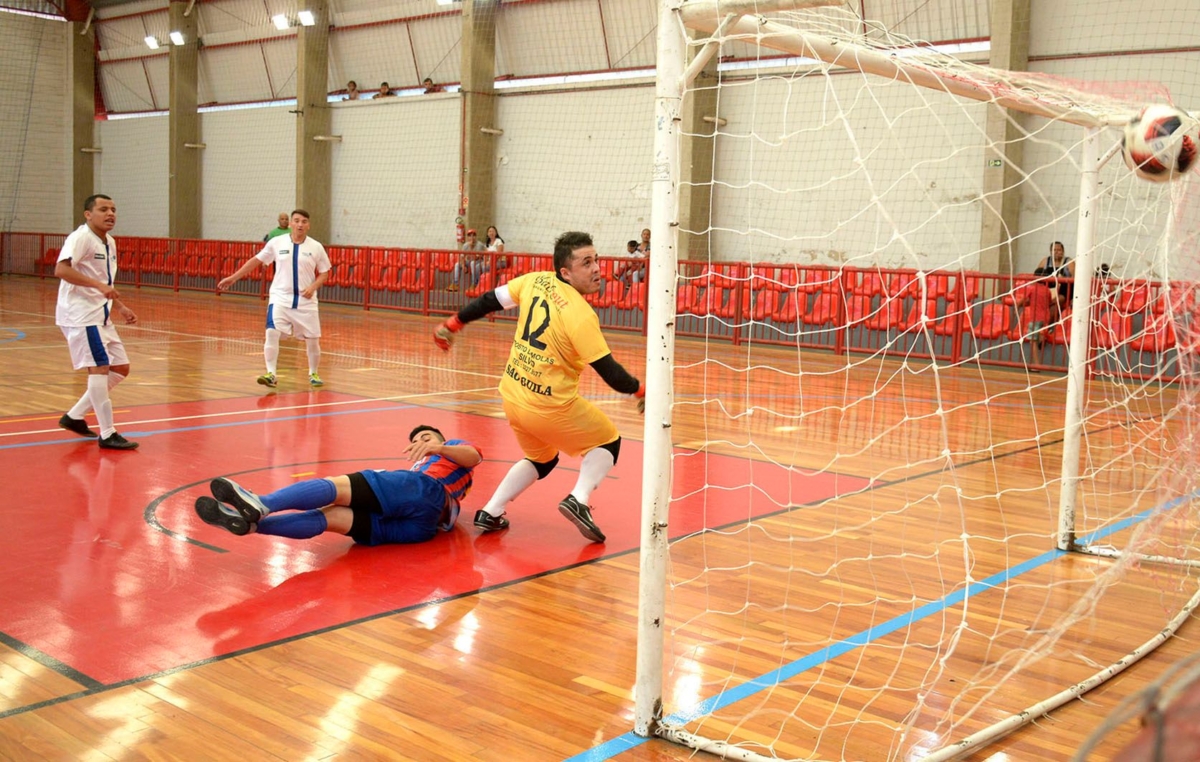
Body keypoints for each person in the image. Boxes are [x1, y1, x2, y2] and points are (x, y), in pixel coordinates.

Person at [433, 231, 646, 543]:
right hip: (549, 405)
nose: (597, 268)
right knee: (608, 441)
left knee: (542, 457)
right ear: (566, 272)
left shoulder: (535, 280)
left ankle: (491, 511)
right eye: (586, 263)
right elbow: (610, 373)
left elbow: (489, 300)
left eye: (597, 259)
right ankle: (579, 498)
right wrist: (641, 391)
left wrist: (453, 323)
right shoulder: (579, 314)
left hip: (512, 396)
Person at [195, 425, 482, 544]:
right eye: (416, 441)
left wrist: (440, 447)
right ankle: (253, 525)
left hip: (426, 492)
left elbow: (475, 456)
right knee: (331, 517)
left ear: (441, 437)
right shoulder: (437, 476)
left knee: (337, 487)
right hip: (423, 529)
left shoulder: (449, 451)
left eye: (426, 437)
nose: (421, 442)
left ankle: (263, 503)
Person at [54, 194, 139, 450]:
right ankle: (108, 433)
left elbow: (106, 284)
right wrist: (99, 286)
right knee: (100, 368)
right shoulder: (81, 237)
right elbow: (62, 270)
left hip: (100, 314)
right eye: (103, 209)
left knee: (120, 368)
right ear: (88, 214)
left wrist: (120, 307)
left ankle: (75, 416)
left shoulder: (109, 241)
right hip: (80, 315)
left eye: (113, 209)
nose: (110, 213)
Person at [218, 209, 332, 388]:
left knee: (312, 339)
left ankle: (313, 373)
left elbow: (325, 272)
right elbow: (255, 261)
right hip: (280, 298)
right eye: (296, 221)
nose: (300, 224)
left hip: (305, 301)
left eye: (304, 221)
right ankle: (271, 373)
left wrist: (313, 287)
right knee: (271, 332)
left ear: (308, 225)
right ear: (291, 224)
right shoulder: (276, 242)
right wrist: (233, 277)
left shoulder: (316, 247)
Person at [1040, 241, 1073, 322]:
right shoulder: (1045, 261)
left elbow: (1074, 277)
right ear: (1051, 252)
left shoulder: (1069, 262)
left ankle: (1048, 325)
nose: (1057, 252)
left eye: (1059, 250)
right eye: (1054, 250)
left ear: (1063, 251)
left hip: (1064, 289)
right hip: (1049, 288)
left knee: (1057, 302)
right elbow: (1037, 275)